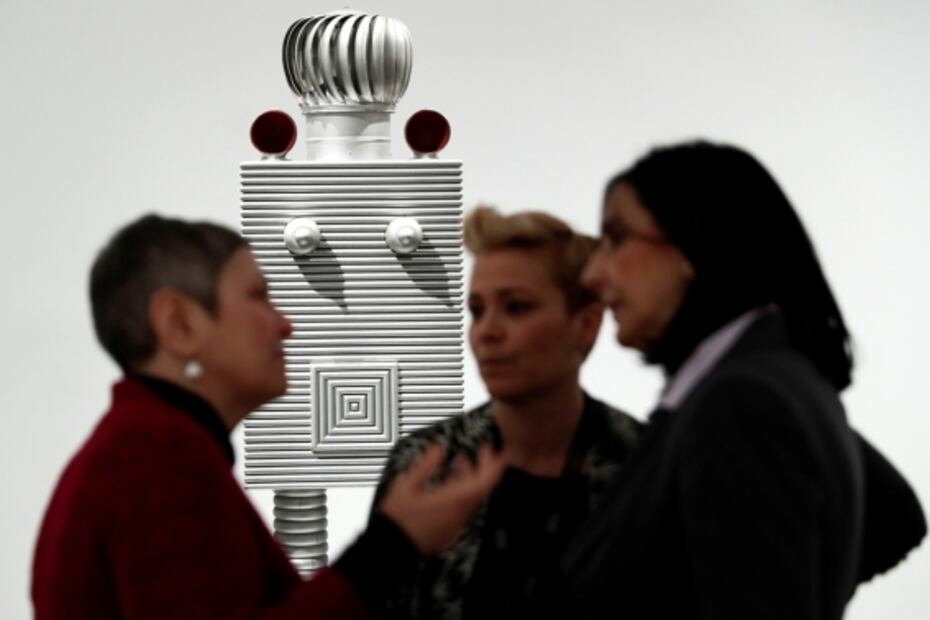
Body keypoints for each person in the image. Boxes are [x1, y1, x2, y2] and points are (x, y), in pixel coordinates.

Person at [32, 214, 505, 620]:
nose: (286, 323)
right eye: (259, 295)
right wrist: (393, 544)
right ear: (179, 323)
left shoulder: (141, 446)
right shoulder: (157, 457)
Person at [565, 140, 925, 619]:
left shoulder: (741, 405)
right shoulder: (768, 382)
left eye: (616, 237)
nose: (592, 274)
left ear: (691, 242)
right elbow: (894, 513)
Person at [371, 207, 641, 619]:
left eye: (516, 307)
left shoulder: (641, 462)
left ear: (586, 325)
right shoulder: (427, 465)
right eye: (477, 310)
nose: (486, 332)